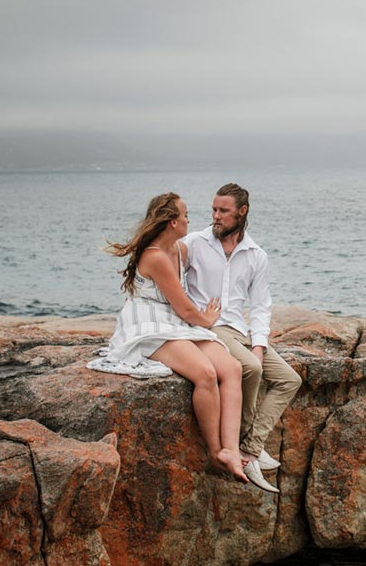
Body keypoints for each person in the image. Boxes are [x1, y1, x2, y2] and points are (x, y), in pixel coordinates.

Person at [88, 192, 248, 484]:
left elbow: (208, 252)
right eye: (185, 215)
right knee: (206, 373)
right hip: (149, 323)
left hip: (173, 321)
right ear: (173, 222)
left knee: (232, 369)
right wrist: (208, 319)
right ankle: (215, 452)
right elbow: (185, 308)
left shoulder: (178, 249)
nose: (189, 219)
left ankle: (232, 450)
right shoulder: (155, 257)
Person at [185, 183, 301, 494]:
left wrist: (260, 345)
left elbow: (261, 305)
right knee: (250, 367)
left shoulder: (256, 255)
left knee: (289, 379)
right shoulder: (193, 243)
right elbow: (167, 272)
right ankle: (242, 449)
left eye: (223, 211)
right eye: (213, 210)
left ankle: (250, 447)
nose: (216, 216)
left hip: (238, 331)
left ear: (242, 212)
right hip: (208, 328)